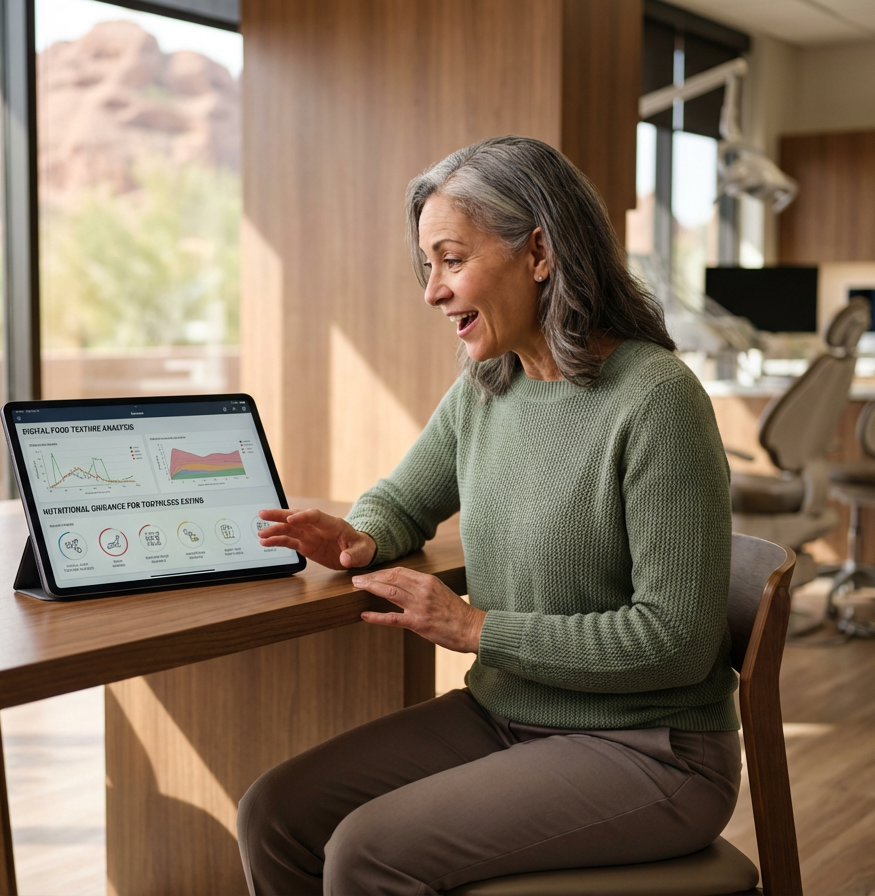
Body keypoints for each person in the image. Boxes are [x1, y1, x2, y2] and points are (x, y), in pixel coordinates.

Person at [237, 135, 738, 896]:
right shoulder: (488, 386)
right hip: (505, 714)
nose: (433, 291)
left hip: (650, 749)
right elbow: (405, 497)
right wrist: (362, 535)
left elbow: (677, 641)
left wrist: (476, 630)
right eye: (428, 265)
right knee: (275, 813)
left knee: (368, 853)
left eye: (451, 259)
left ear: (539, 252)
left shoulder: (656, 399)